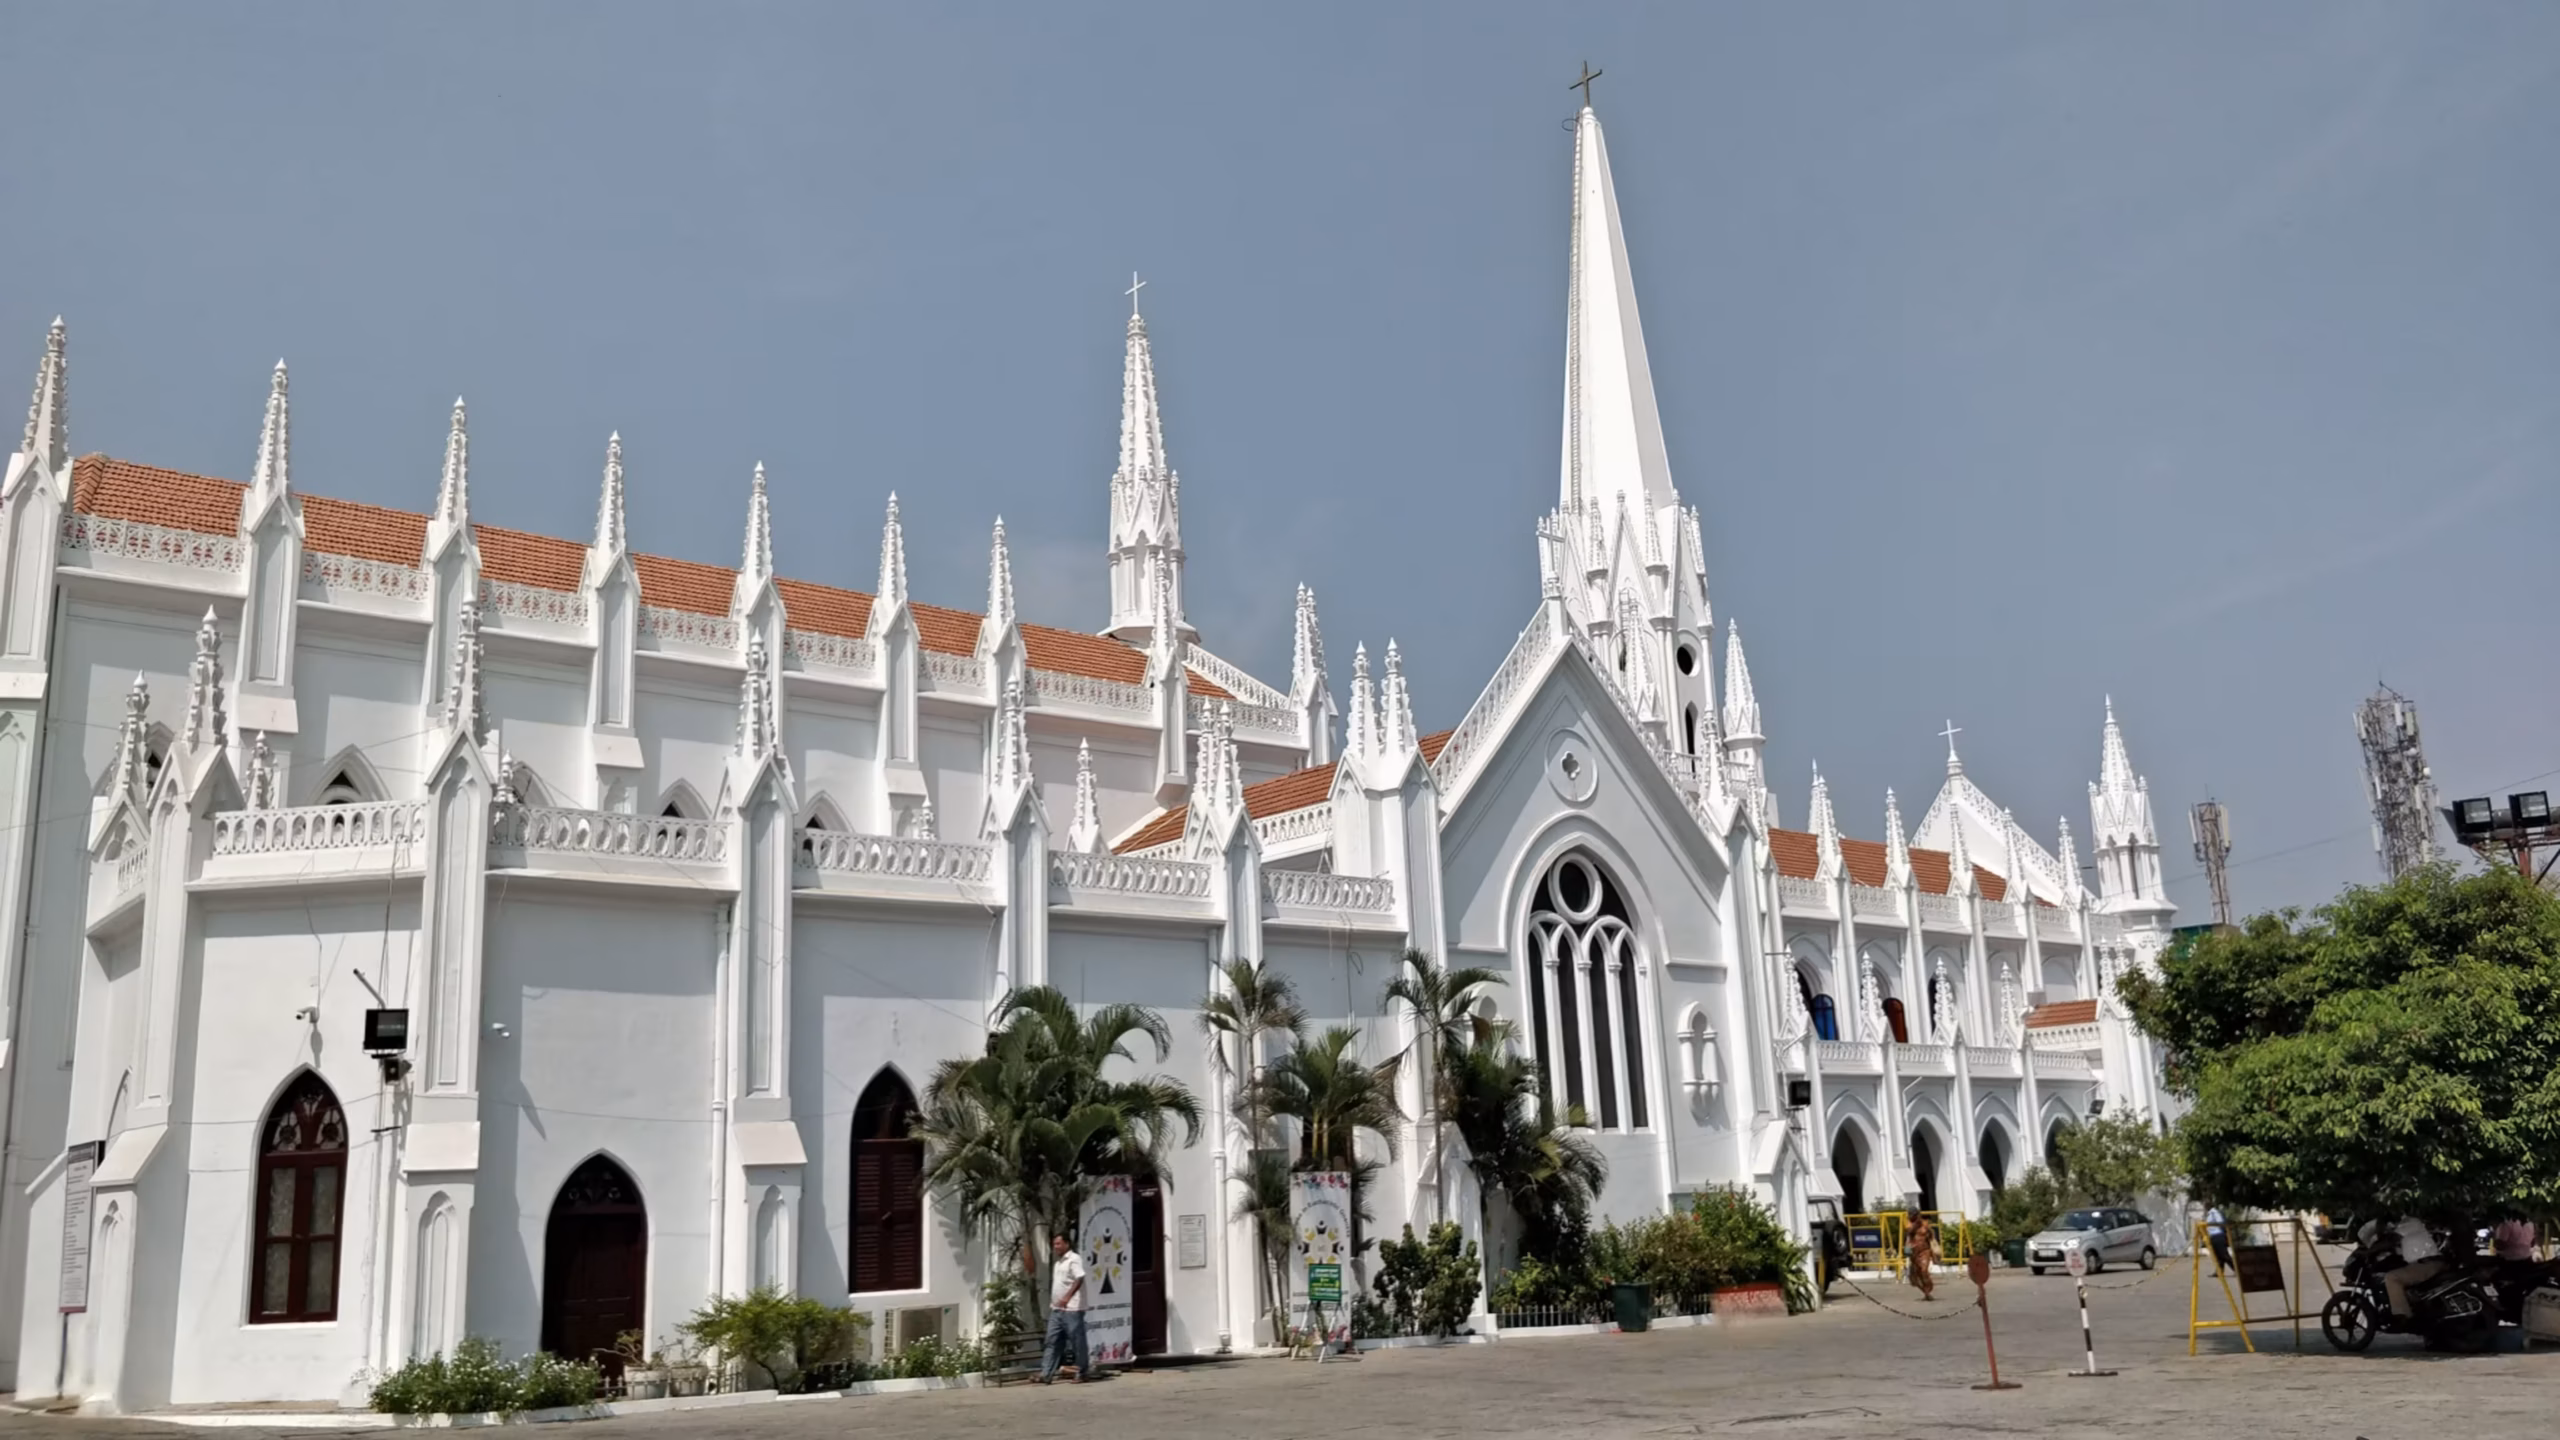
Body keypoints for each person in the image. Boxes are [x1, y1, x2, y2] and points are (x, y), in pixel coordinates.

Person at [1040, 1232, 1091, 1384]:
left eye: (1058, 1244)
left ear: (1067, 1244)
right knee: (1052, 1340)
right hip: (1057, 1309)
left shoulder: (1074, 1259)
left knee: (1077, 1342)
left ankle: (1082, 1372)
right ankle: (1046, 1373)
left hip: (1072, 1309)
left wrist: (1068, 1296)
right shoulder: (1058, 1263)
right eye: (1054, 1244)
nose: (1055, 1247)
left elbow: (1079, 1277)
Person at [2379, 1216, 2446, 1321]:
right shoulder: (2411, 1227)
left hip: (2427, 1264)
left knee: (2392, 1277)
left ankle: (2403, 1316)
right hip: (2428, 1263)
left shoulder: (2409, 1222)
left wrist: (2368, 1251)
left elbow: (2391, 1240)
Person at [1906, 1211, 1937, 1301]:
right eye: (1910, 1216)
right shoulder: (1909, 1225)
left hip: (1924, 1251)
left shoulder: (1925, 1224)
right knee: (1915, 1275)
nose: (1911, 1217)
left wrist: (1934, 1247)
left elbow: (1931, 1237)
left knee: (1923, 1270)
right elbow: (1908, 1236)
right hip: (1914, 1252)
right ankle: (1926, 1292)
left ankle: (1928, 1289)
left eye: (1913, 1216)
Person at [2204, 1205, 2231, 1276]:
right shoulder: (2209, 1214)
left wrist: (2225, 1235)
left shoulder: (2214, 1212)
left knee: (2224, 1255)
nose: (2205, 1205)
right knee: (2218, 1256)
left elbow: (2221, 1222)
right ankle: (2219, 1272)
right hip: (2213, 1236)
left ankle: (2237, 1270)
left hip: (2218, 1235)